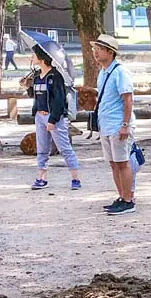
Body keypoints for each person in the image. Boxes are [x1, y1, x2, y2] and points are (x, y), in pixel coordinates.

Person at [91, 34, 137, 215]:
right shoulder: (103, 72)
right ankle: (121, 196)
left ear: (110, 52)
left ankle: (128, 200)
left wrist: (125, 124)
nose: (96, 53)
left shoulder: (120, 72)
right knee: (114, 163)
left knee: (123, 163)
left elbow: (128, 99)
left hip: (118, 124)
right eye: (95, 50)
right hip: (106, 124)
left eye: (99, 49)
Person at [28, 45, 81, 191]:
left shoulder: (55, 77)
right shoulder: (36, 76)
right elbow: (36, 96)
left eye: (34, 55)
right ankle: (42, 177)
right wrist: (27, 87)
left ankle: (75, 178)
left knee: (64, 148)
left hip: (54, 117)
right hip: (40, 115)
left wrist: (53, 120)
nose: (31, 57)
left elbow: (59, 100)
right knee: (42, 148)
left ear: (41, 58)